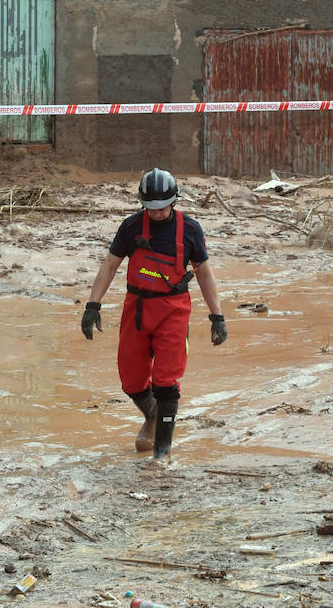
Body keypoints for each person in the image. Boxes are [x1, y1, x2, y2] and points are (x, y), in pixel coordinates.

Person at [81, 168, 226, 461]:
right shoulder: (131, 227)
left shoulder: (191, 230)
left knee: (165, 381)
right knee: (131, 381)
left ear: (174, 201)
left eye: (162, 208)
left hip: (173, 311)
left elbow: (205, 274)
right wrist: (92, 305)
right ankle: (153, 415)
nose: (157, 214)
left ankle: (162, 456)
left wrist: (217, 316)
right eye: (150, 208)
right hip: (136, 309)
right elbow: (110, 264)